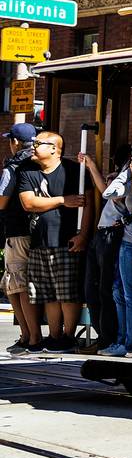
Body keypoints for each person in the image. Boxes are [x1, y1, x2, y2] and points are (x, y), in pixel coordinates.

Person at [18, 131, 89, 351]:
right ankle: (54, 335)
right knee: (48, 293)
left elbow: (88, 204)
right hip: (39, 241)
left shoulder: (74, 170)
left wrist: (83, 235)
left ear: (54, 149)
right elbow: (28, 203)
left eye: (39, 143)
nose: (33, 145)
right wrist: (62, 201)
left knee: (67, 292)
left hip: (66, 240)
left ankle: (68, 336)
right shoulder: (28, 171)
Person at [79, 147, 132, 356]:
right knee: (112, 291)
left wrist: (93, 166)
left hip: (118, 237)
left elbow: (108, 193)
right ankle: (115, 339)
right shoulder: (126, 175)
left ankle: (122, 340)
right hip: (106, 234)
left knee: (118, 292)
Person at [0, 123, 42, 353]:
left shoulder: (13, 167)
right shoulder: (38, 163)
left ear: (15, 142)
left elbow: (2, 201)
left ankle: (31, 336)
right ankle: (28, 335)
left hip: (16, 232)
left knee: (17, 284)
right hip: (33, 231)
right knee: (17, 284)